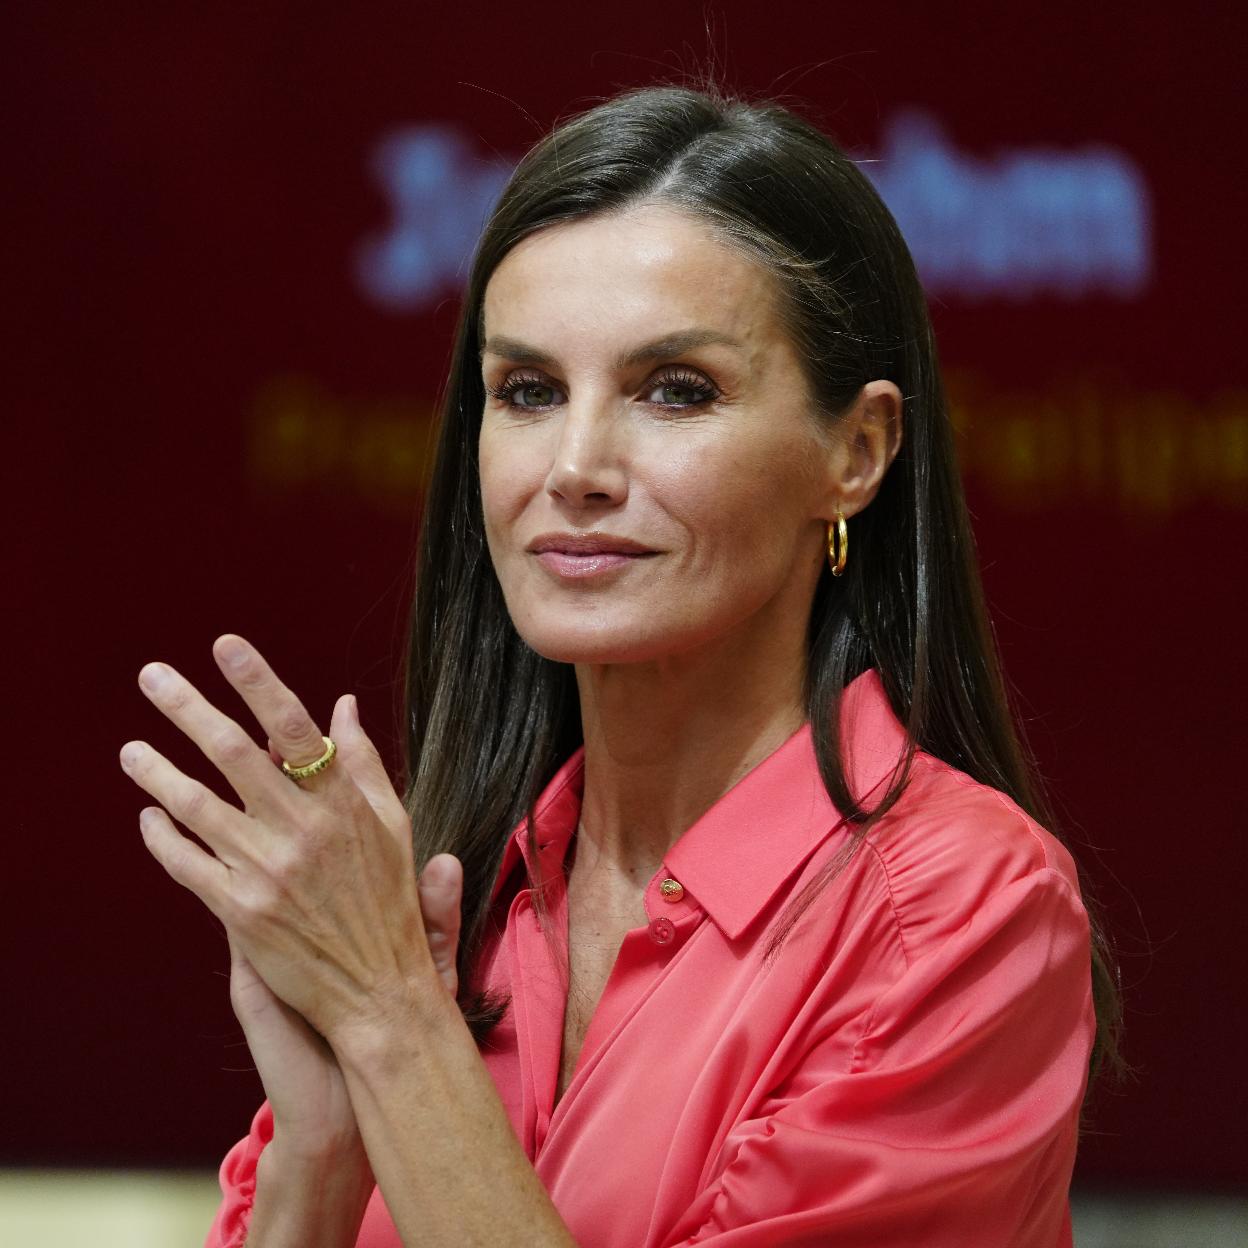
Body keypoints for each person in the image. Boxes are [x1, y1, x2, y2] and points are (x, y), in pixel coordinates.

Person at [120, 85, 1120, 1247]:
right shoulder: (443, 903)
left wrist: (393, 1024)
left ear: (857, 452)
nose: (577, 465)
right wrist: (325, 1146)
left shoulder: (962, 913)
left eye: (675, 391)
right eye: (528, 392)